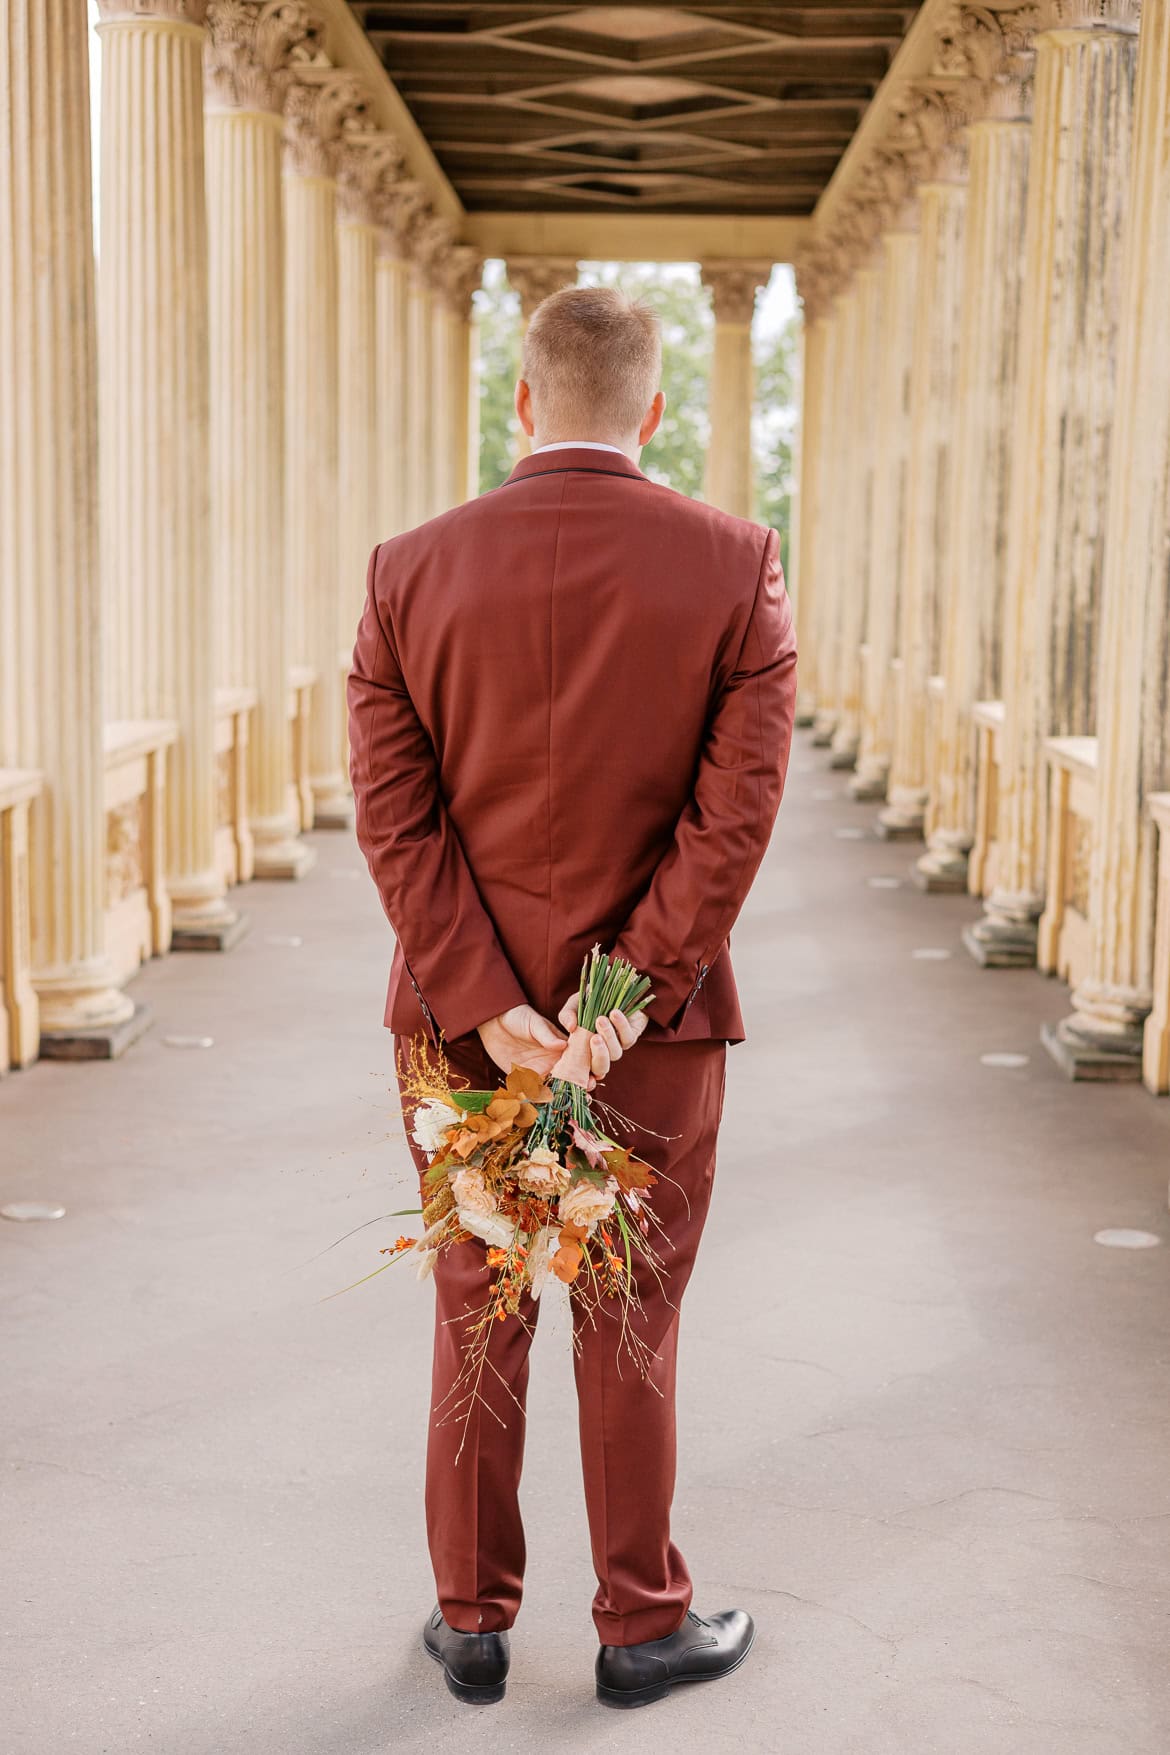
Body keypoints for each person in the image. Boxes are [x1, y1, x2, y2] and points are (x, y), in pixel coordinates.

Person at [347, 284, 797, 1709]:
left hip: (456, 1033)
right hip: (651, 1038)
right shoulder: (734, 564)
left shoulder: (408, 571)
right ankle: (636, 1626)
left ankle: (470, 1621)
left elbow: (389, 807)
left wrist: (484, 1002)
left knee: (476, 1302)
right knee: (630, 1316)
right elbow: (734, 815)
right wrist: (619, 996)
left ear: (521, 401)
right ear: (652, 412)